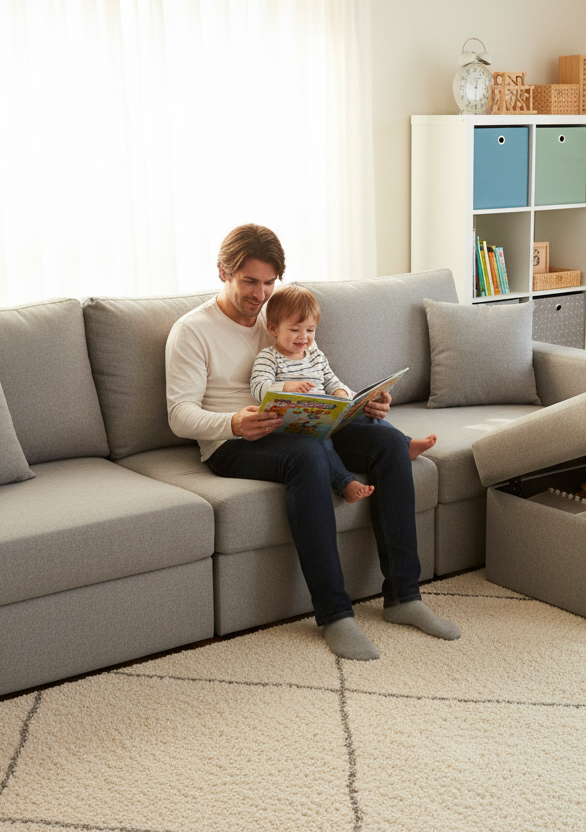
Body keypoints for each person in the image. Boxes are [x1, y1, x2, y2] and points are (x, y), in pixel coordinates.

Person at [164, 223, 459, 660]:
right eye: (249, 282)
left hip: (300, 424)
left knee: (388, 442)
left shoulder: (279, 315)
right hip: (235, 442)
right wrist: (233, 423)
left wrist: (361, 404)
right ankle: (336, 615)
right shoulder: (193, 331)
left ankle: (404, 597)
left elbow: (318, 373)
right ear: (222, 271)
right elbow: (178, 415)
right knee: (306, 455)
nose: (259, 294)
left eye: (269, 283)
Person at [249, 283, 437, 505]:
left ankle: (404, 444)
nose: (304, 337)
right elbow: (258, 387)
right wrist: (287, 387)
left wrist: (341, 393)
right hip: (294, 428)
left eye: (310, 330)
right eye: (294, 330)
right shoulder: (268, 357)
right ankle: (344, 483)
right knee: (319, 444)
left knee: (365, 414)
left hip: (325, 416)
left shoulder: (315, 356)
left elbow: (331, 379)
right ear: (273, 329)